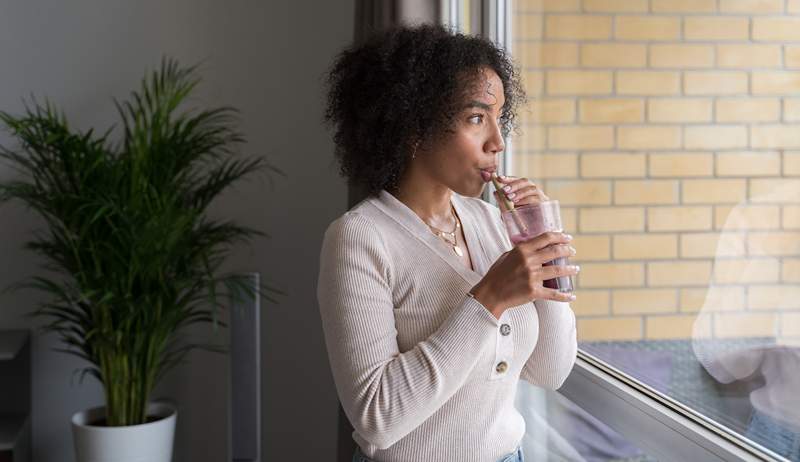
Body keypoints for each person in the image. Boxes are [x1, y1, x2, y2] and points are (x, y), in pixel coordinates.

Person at [318, 24, 580, 462]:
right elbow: (376, 418)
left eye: (500, 117)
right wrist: (489, 298)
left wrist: (543, 247)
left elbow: (550, 371)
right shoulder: (358, 239)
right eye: (476, 118)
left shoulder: (491, 222)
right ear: (415, 125)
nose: (498, 141)